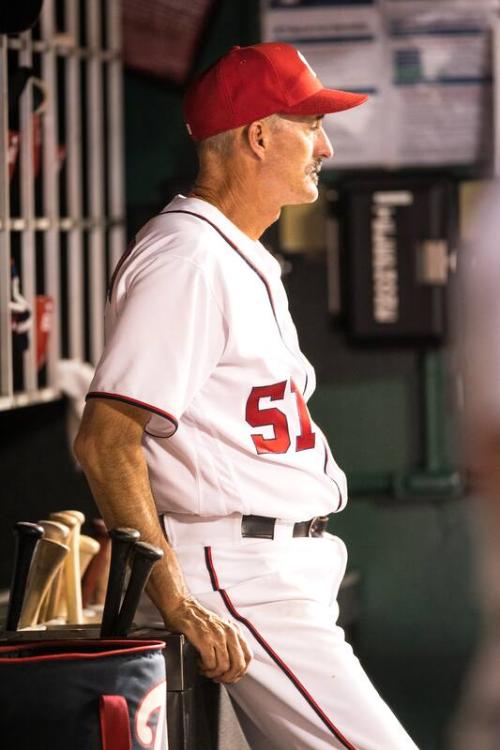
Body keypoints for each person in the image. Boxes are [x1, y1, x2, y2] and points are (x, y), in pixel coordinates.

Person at [75, 42, 418, 750]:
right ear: (259, 135)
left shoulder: (234, 251)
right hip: (238, 569)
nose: (324, 145)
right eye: (310, 124)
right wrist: (175, 599)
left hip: (279, 564)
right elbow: (106, 439)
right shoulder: (188, 259)